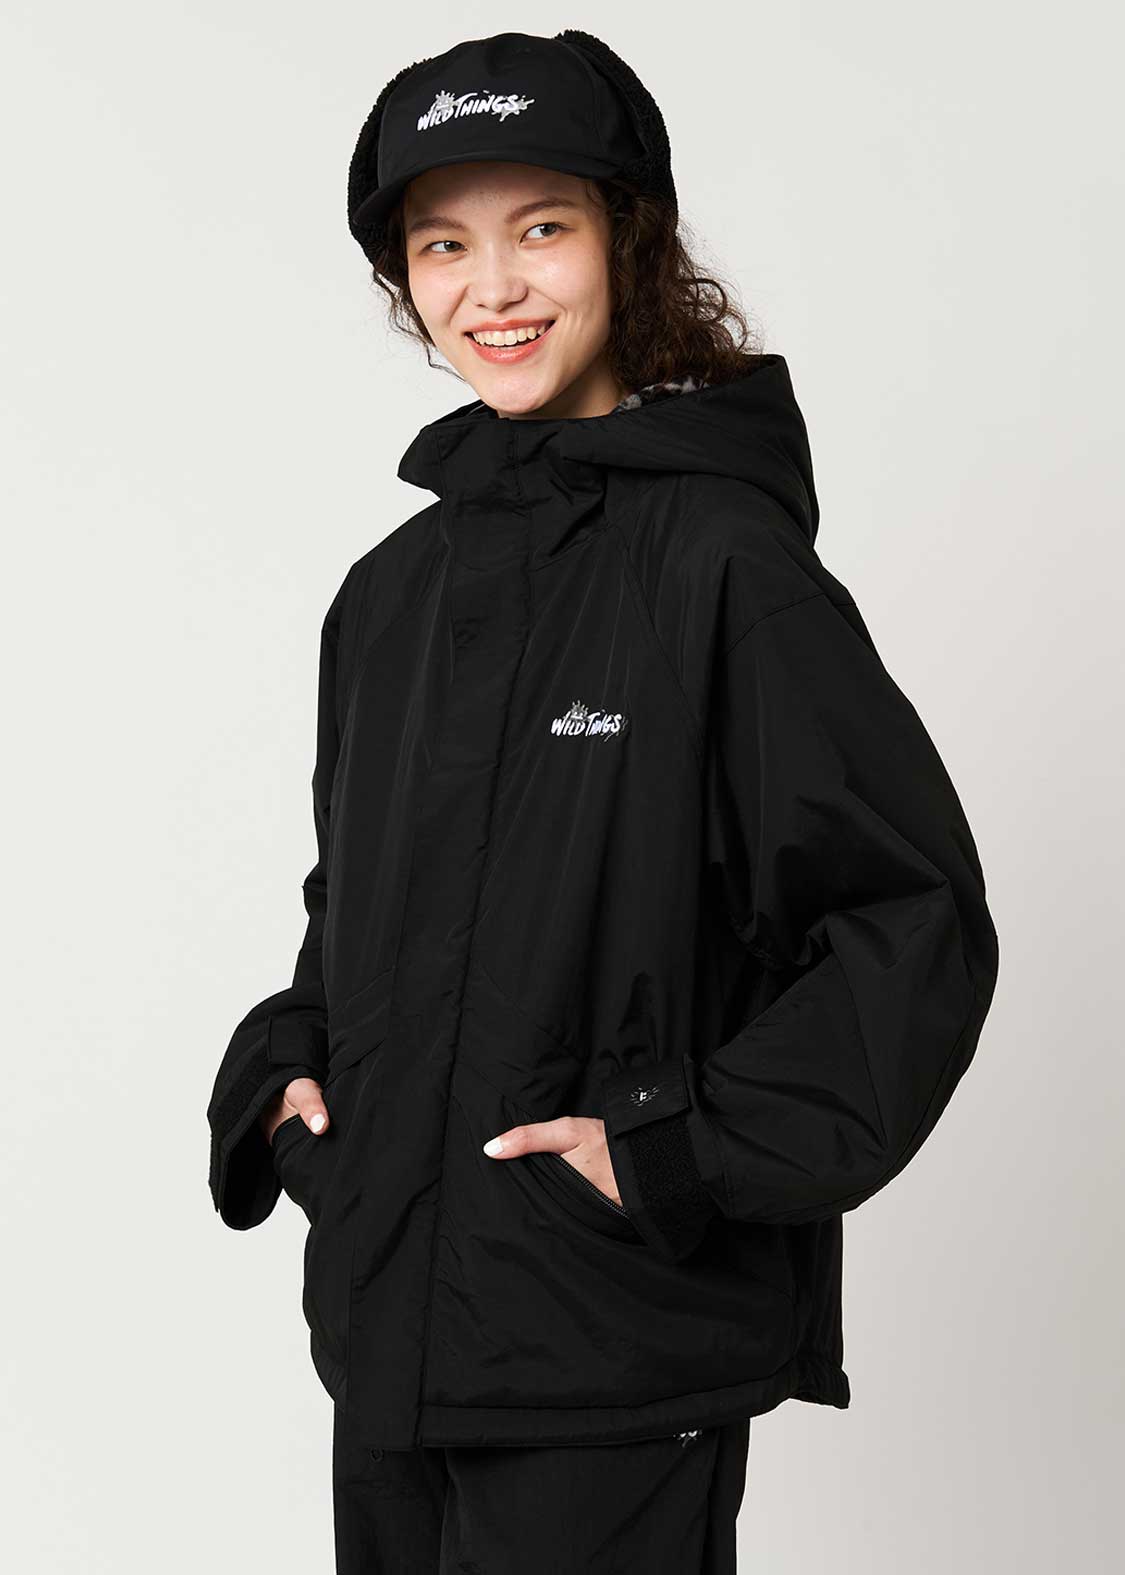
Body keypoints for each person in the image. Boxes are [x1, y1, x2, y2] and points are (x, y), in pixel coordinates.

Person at [205, 28, 1000, 1574]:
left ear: (627, 243)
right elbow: (355, 912)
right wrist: (294, 1082)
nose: (490, 287)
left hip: (611, 1338)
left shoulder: (721, 566)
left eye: (541, 228)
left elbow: (906, 919)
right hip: (391, 1341)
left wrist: (674, 1150)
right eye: (443, 244)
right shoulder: (391, 596)